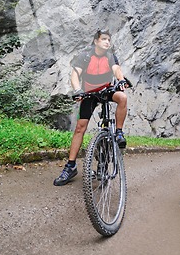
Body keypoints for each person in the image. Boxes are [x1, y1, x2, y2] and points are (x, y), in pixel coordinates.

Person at [54, 29, 129, 186]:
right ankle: (70, 166)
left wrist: (121, 80)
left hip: (107, 90)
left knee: (122, 97)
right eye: (103, 39)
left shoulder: (110, 56)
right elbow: (75, 74)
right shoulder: (85, 55)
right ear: (96, 41)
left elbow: (116, 69)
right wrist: (77, 90)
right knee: (80, 128)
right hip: (89, 93)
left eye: (109, 39)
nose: (107, 42)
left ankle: (119, 133)